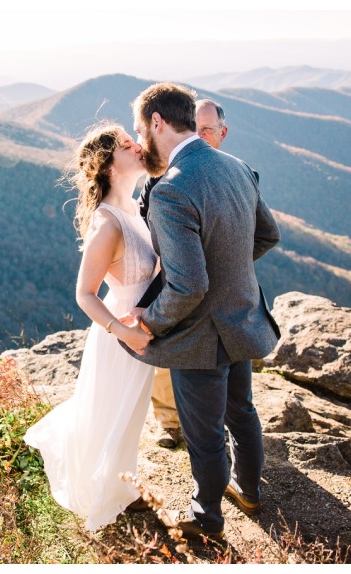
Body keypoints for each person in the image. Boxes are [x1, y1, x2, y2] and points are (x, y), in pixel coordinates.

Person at [122, 83, 281, 540]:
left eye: (140, 128)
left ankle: (206, 518)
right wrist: (228, 272)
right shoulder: (235, 167)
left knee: (205, 433)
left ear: (157, 122)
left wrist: (149, 322)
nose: (139, 139)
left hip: (199, 335)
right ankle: (249, 490)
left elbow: (188, 285)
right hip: (243, 316)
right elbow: (267, 236)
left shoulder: (172, 189)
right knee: (243, 412)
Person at [23, 122, 159, 531]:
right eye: (125, 144)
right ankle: (108, 492)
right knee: (112, 413)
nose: (137, 146)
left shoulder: (134, 207)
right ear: (108, 165)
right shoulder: (108, 222)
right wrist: (125, 331)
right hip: (122, 334)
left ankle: (121, 484)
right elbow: (84, 293)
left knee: (129, 413)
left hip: (144, 325)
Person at [142, 98, 232, 449]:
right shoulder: (163, 177)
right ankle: (169, 421)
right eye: (197, 127)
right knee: (166, 352)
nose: (201, 133)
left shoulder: (233, 172)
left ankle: (214, 421)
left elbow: (256, 233)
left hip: (221, 287)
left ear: (221, 134)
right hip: (174, 281)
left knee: (218, 359)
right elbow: (146, 222)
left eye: (208, 129)